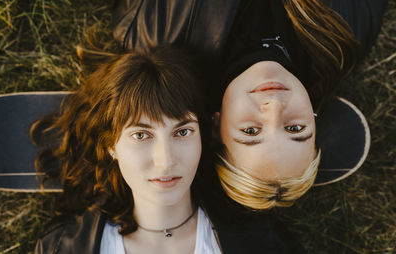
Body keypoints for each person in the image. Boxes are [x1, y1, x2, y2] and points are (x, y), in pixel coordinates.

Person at [111, 0, 381, 210]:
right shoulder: (346, 36)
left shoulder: (154, 34)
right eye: (296, 128)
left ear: (216, 126)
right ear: (314, 117)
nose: (273, 107)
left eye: (251, 131)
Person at [33, 46, 303, 253]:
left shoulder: (261, 242)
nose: (165, 161)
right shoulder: (59, 248)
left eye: (182, 132)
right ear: (110, 145)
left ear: (203, 136)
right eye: (141, 135)